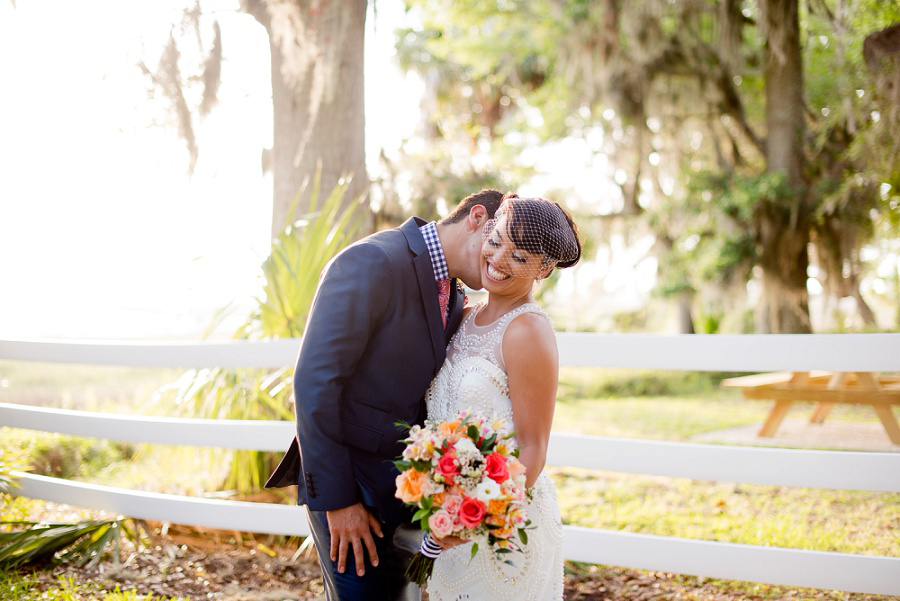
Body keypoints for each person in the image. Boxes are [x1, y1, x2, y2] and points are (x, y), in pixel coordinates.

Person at [264, 189, 506, 601]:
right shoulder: (372, 260)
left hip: (402, 494)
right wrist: (338, 503)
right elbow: (313, 383)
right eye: (496, 242)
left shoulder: (455, 291)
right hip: (348, 485)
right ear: (477, 217)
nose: (499, 262)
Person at [423, 194, 581, 600]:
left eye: (521, 255)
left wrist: (472, 518)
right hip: (449, 523)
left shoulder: (528, 330)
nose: (499, 258)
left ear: (544, 269)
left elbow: (532, 447)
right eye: (496, 240)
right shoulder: (465, 314)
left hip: (500, 528)